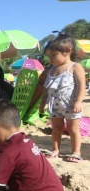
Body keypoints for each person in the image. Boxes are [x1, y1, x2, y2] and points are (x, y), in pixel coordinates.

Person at [39, 32, 86, 163]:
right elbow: (45, 90)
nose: (51, 59)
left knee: (73, 129)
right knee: (56, 128)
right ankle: (55, 150)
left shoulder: (75, 67)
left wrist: (78, 101)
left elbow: (82, 85)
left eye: (53, 55)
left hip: (71, 105)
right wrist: (42, 104)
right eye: (49, 56)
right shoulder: (51, 70)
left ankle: (76, 152)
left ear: (67, 51)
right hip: (55, 106)